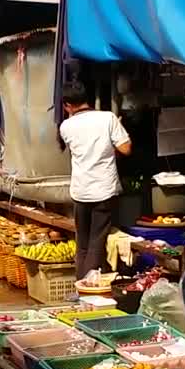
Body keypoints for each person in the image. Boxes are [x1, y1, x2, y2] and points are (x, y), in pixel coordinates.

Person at [58, 80, 132, 279]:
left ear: (67, 105)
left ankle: (79, 285)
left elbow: (80, 150)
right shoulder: (108, 118)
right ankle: (87, 289)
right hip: (104, 191)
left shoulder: (66, 126)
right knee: (96, 243)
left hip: (80, 191)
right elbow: (126, 149)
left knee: (82, 244)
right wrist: (111, 141)